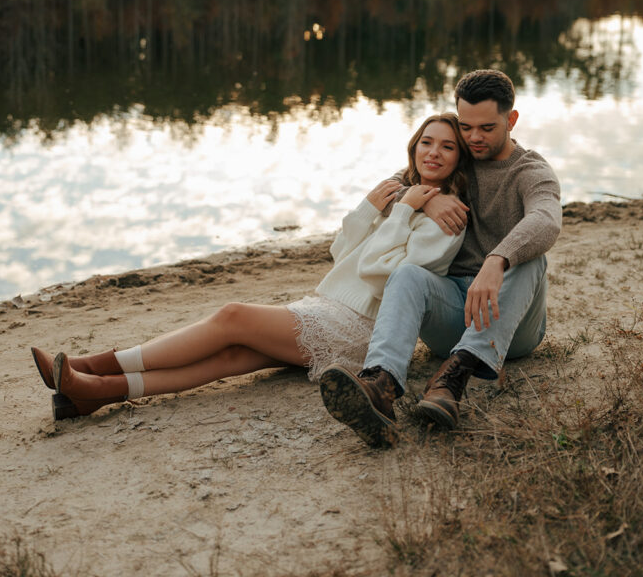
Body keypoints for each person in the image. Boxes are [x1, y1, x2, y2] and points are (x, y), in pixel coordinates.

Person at [30, 113, 469, 421]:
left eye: (447, 147)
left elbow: (383, 277)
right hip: (327, 306)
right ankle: (94, 394)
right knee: (232, 356)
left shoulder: (448, 221)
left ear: (458, 159)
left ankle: (95, 365)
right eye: (426, 142)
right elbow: (341, 251)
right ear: (413, 146)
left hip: (362, 329)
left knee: (232, 316)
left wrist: (401, 215)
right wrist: (371, 207)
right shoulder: (401, 193)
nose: (433, 152)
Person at [319, 69, 562, 448]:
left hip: (512, 325)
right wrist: (425, 197)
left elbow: (546, 219)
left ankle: (453, 380)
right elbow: (399, 184)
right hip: (453, 309)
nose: (474, 137)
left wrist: (497, 260)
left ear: (511, 120)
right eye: (466, 127)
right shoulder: (458, 157)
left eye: (486, 127)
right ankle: (379, 387)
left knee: (531, 259)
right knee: (408, 274)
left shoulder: (530, 172)